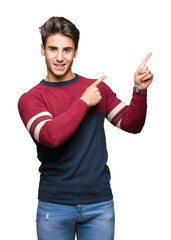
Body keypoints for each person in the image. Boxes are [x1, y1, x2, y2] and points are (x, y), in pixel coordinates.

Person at [18, 16, 153, 240]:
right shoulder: (31, 99)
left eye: (67, 50)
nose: (60, 57)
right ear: (42, 49)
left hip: (99, 205)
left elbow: (132, 124)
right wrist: (83, 102)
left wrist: (139, 90)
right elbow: (51, 136)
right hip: (55, 205)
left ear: (76, 51)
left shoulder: (97, 89)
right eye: (53, 49)